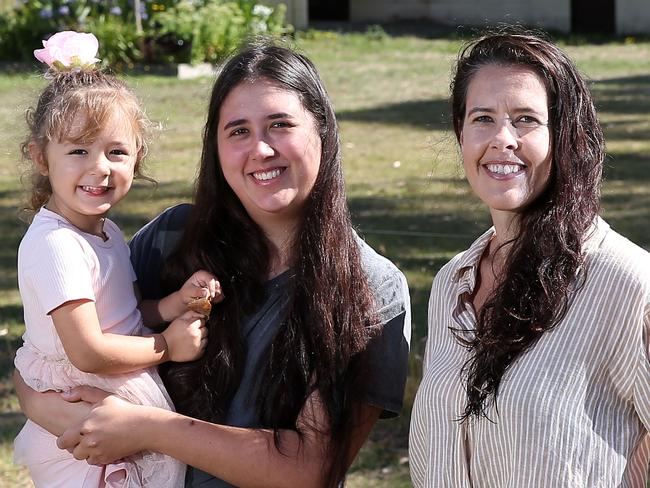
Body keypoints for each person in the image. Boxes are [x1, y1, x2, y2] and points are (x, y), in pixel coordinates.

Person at [16, 42, 412, 488]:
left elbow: (310, 469)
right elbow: (55, 345)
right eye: (238, 130)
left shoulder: (373, 288)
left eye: (280, 124)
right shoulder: (171, 238)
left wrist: (145, 428)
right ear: (216, 145)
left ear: (321, 129)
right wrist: (36, 401)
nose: (260, 149)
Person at [409, 29, 650, 487]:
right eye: (482, 117)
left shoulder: (627, 282)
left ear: (564, 136)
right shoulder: (450, 285)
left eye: (525, 119)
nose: (502, 139)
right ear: (460, 132)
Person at [13, 31, 221, 487]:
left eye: (116, 151)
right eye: (78, 151)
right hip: (82, 403)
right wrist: (167, 345)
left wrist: (173, 305)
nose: (100, 167)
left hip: (114, 387)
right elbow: (88, 350)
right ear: (41, 158)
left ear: (137, 157)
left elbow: (124, 315)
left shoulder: (102, 231)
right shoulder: (56, 246)